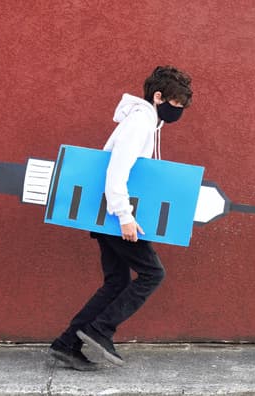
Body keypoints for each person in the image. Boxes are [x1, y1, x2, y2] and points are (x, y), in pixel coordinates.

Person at [49, 66, 193, 370]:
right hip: (116, 214)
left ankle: (66, 345)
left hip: (109, 213)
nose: (178, 111)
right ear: (158, 96)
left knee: (116, 281)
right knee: (153, 274)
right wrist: (125, 216)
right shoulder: (141, 121)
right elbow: (117, 168)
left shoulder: (148, 122)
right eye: (176, 104)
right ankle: (99, 330)